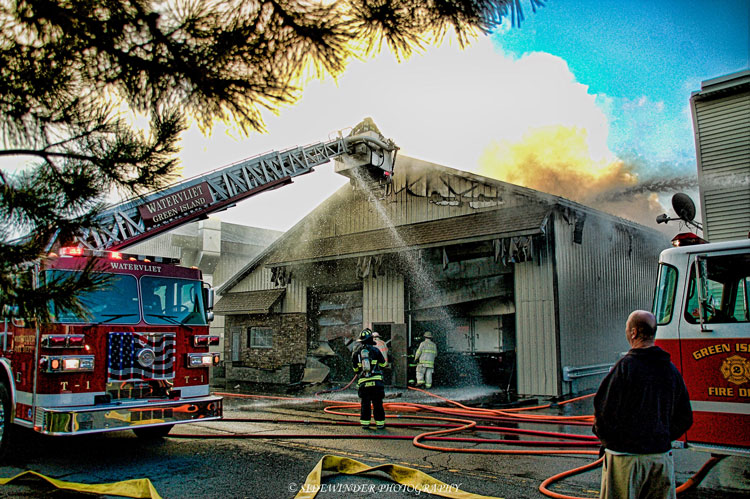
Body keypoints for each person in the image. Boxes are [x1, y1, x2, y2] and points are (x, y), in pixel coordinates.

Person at [593, 310, 693, 499]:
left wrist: (613, 443)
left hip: (625, 460)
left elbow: (603, 413)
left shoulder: (623, 369)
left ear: (634, 333)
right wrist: (661, 437)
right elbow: (685, 417)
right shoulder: (671, 371)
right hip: (660, 458)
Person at [351, 328, 387, 429]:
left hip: (364, 383)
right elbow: (383, 364)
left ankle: (365, 424)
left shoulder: (356, 352)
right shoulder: (376, 350)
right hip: (376, 383)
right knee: (378, 404)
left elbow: (355, 369)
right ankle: (380, 424)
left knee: (365, 404)